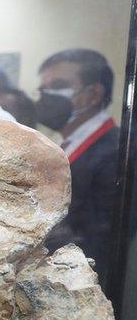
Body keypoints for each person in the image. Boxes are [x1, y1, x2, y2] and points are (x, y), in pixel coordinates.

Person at [38, 49, 119, 278]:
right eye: (44, 88)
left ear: (93, 94)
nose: (46, 96)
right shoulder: (63, 141)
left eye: (58, 86)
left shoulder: (115, 151)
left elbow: (103, 238)